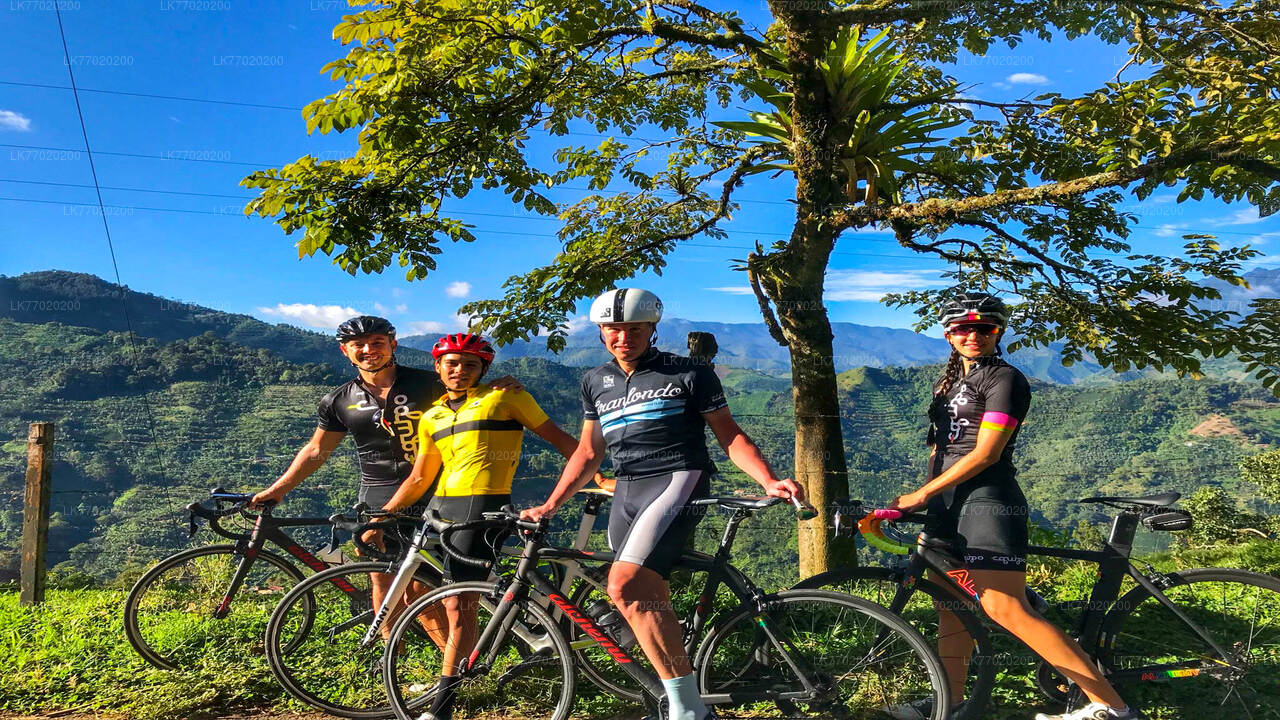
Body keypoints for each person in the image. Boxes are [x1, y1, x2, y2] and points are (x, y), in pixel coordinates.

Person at [522, 288, 804, 720]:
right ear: (600, 332)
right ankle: (677, 688)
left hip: (678, 478)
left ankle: (689, 710)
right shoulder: (594, 381)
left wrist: (767, 478)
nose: (624, 338)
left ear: (652, 330)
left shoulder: (688, 372)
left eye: (635, 329)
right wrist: (550, 506)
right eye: (614, 330)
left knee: (624, 584)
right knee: (642, 595)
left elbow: (729, 435)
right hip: (625, 489)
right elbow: (587, 453)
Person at [885, 293, 1139, 720]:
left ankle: (1111, 708)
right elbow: (941, 450)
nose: (973, 335)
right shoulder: (947, 382)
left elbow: (987, 453)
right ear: (947, 333)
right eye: (963, 328)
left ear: (997, 332)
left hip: (988, 501)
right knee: (950, 607)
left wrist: (923, 495)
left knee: (1004, 605)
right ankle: (951, 702)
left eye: (984, 328)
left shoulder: (1005, 378)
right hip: (946, 504)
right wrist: (925, 497)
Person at [250, 316, 523, 633]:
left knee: (426, 591)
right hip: (377, 497)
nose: (369, 350)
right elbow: (315, 450)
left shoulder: (430, 383)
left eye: (377, 342)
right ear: (345, 351)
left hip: (436, 494)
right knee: (383, 584)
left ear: (393, 344)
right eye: (359, 345)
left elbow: (477, 397)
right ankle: (393, 667)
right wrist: (278, 490)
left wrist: (502, 383)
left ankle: (452, 673)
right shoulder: (338, 401)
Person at [383, 332, 595, 720]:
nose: (460, 370)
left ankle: (443, 706)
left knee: (457, 605)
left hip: (483, 507)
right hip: (439, 510)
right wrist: (383, 513)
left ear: (484, 369)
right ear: (438, 367)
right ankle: (475, 665)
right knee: (443, 597)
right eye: (452, 363)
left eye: (470, 364)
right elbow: (419, 478)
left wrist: (597, 478)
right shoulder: (432, 416)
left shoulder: (505, 397)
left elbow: (563, 442)